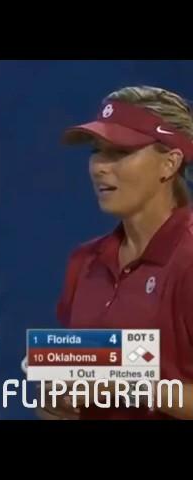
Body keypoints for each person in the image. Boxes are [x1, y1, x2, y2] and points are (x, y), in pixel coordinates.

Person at [45, 85, 193, 420]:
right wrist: (57, 400)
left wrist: (122, 376)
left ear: (169, 163)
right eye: (98, 151)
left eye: (120, 152)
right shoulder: (84, 262)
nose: (99, 167)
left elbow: (114, 376)